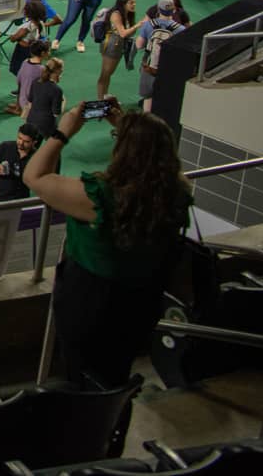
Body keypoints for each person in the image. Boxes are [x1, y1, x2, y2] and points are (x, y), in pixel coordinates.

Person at [27, 106, 191, 387]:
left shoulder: (101, 197)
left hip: (91, 304)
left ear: (123, 151)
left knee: (83, 379)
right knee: (115, 375)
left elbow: (35, 176)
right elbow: (157, 164)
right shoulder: (175, 193)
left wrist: (63, 132)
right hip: (142, 303)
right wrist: (130, 127)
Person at [94, 0, 140, 100]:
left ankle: (105, 95)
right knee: (105, 73)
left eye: (134, 3)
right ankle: (101, 99)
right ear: (123, 4)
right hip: (111, 45)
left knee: (109, 73)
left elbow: (129, 32)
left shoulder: (127, 14)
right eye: (131, 3)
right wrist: (138, 25)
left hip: (119, 45)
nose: (134, 5)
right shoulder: (116, 14)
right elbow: (123, 33)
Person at [0, 126, 36, 202]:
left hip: (20, 200)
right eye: (19, 138)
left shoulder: (36, 157)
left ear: (34, 142)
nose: (21, 143)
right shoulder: (5, 146)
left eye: (26, 141)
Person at [26, 57, 66, 138]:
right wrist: (64, 102)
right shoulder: (57, 90)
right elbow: (56, 113)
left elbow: (30, 103)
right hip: (46, 126)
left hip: (30, 120)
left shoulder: (36, 81)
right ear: (58, 71)